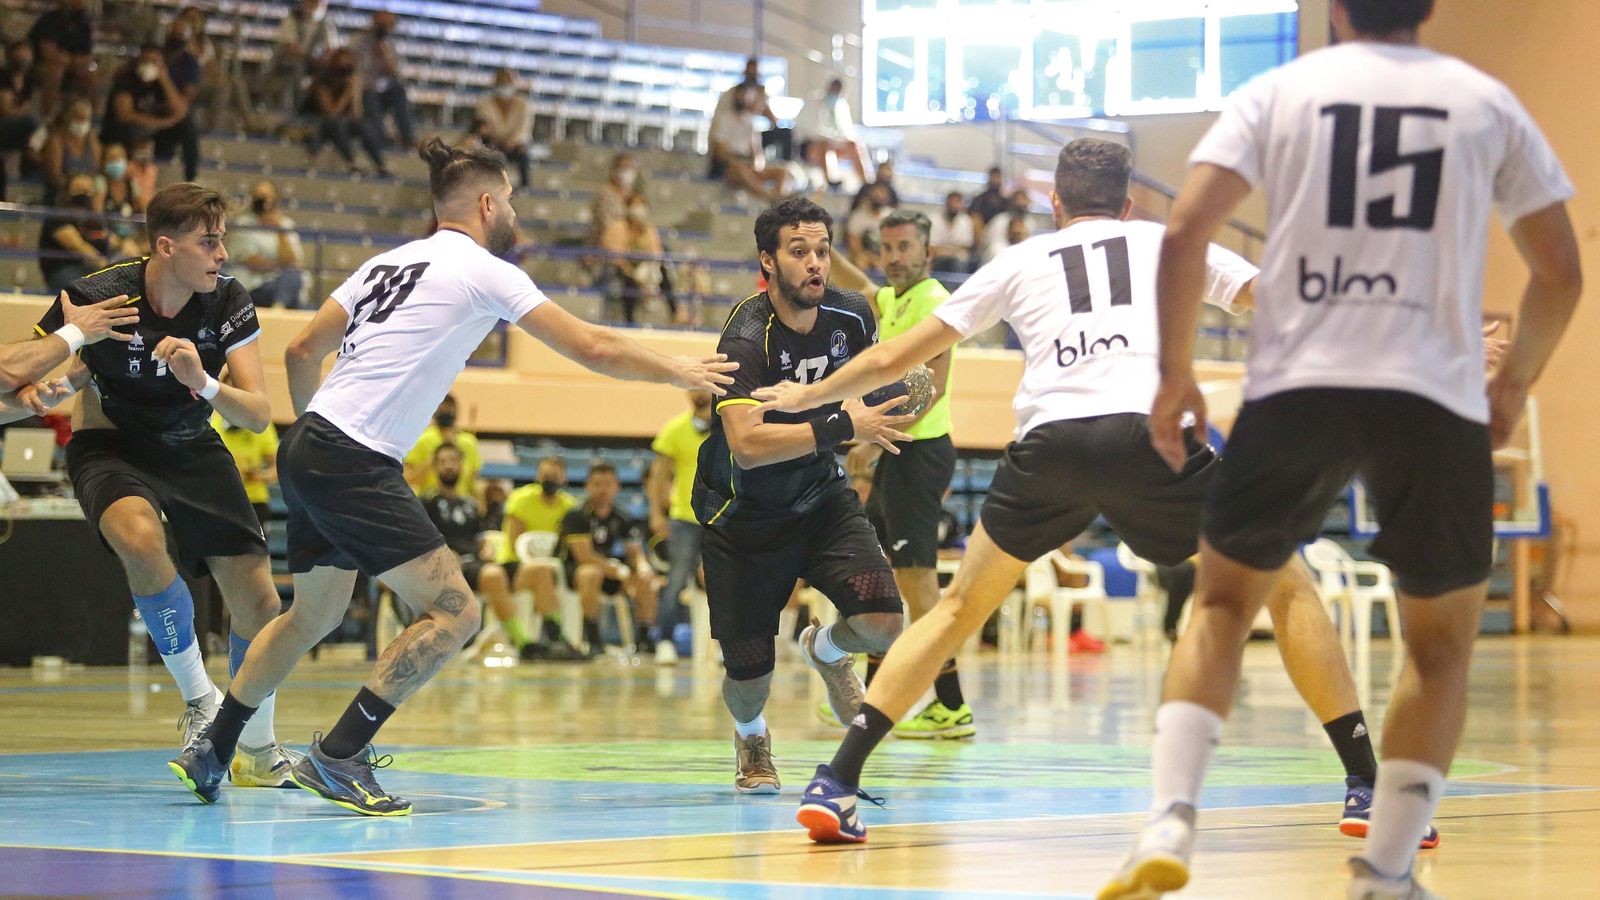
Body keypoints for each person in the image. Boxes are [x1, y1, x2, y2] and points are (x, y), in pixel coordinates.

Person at [751, 139, 1429, 854]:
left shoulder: (1020, 259)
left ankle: (836, 779)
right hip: (1153, 436)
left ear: (1055, 204)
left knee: (955, 610)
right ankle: (1364, 786)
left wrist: (812, 393)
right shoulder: (1170, 241)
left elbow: (894, 355)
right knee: (1289, 591)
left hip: (1053, 447)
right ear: (1128, 203)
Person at [1101, 0, 1581, 895]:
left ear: (1334, 9)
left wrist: (1174, 373)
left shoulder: (1280, 91)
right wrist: (1510, 387)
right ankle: (1386, 871)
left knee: (1218, 607)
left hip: (1299, 385)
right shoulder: (1485, 103)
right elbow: (1560, 269)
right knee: (1439, 648)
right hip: (1432, 398)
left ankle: (1169, 818)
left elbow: (1184, 234)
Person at [169, 138, 737, 814]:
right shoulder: (480, 268)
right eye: (514, 203)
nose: (517, 216)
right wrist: (679, 370)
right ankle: (340, 753)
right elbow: (591, 344)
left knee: (310, 615)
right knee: (458, 611)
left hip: (310, 444)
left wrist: (313, 422)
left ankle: (214, 747)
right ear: (489, 203)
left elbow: (300, 347)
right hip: (354, 455)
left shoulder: (384, 264)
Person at [5, 183, 298, 786]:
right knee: (140, 540)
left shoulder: (229, 303)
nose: (221, 254)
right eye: (208, 242)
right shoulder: (97, 295)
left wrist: (205, 382)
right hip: (111, 445)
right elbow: (14, 383)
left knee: (262, 604)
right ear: (166, 246)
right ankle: (201, 702)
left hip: (191, 445)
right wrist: (65, 359)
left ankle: (260, 750)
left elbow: (258, 414)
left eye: (221, 241)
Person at [691, 195, 912, 794]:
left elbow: (879, 391)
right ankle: (753, 734)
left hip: (820, 499)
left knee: (884, 622)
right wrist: (843, 426)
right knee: (749, 675)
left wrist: (903, 397)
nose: (816, 263)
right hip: (743, 516)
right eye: (798, 252)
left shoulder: (853, 315)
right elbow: (747, 444)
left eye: (822, 250)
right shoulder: (744, 337)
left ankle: (828, 648)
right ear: (768, 262)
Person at [826, 209, 966, 738]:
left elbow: (936, 385)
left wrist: (875, 441)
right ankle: (873, 699)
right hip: (898, 454)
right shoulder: (891, 300)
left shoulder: (932, 301)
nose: (895, 257)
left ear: (927, 252)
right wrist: (821, 238)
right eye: (888, 247)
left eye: (906, 246)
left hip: (918, 452)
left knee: (918, 584)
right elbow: (859, 283)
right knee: (887, 578)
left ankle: (951, 704)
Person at [421, 443, 515, 644]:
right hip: (441, 566)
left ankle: (520, 641)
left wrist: (487, 550)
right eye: (443, 461)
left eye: (454, 461)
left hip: (472, 562)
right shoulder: (426, 502)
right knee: (452, 567)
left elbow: (480, 540)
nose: (449, 466)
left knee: (494, 574)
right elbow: (421, 540)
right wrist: (445, 555)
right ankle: (458, 637)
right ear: (435, 467)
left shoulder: (470, 504)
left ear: (462, 466)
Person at [560, 462, 657, 654]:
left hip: (608, 570)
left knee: (645, 578)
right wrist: (618, 571)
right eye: (597, 484)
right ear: (587, 486)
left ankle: (644, 640)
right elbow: (584, 556)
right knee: (591, 573)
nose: (602, 490)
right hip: (573, 571)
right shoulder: (576, 515)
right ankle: (594, 639)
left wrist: (642, 567)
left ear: (616, 487)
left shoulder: (623, 516)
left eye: (608, 484)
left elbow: (635, 551)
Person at [647, 390, 713, 664]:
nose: (696, 392)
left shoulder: (727, 426)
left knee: (723, 581)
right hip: (683, 517)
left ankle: (722, 645)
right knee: (675, 581)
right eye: (692, 387)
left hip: (719, 516)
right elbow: (659, 475)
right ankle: (664, 641)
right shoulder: (674, 429)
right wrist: (656, 514)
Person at [496, 455, 584, 660]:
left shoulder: (571, 506)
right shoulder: (521, 499)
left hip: (554, 569)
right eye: (546, 475)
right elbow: (515, 543)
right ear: (538, 476)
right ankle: (556, 637)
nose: (550, 480)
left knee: (548, 572)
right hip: (513, 566)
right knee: (541, 571)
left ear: (564, 479)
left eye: (555, 476)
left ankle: (553, 638)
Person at [102, 46, 195, 183]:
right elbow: (125, 115)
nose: (149, 65)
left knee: (187, 126)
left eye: (154, 61)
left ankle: (191, 177)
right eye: (146, 60)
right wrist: (163, 123)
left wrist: (165, 80)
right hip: (126, 132)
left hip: (154, 133)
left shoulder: (161, 83)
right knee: (129, 127)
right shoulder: (126, 80)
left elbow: (180, 111)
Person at [707, 62, 787, 202]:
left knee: (782, 173)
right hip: (729, 166)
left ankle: (778, 200)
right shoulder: (724, 119)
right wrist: (740, 164)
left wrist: (756, 166)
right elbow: (720, 151)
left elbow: (757, 150)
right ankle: (771, 198)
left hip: (747, 164)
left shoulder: (750, 121)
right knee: (740, 170)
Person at [305, 48, 388, 176]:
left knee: (363, 126)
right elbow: (331, 114)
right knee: (336, 124)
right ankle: (352, 161)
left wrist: (356, 95)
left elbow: (356, 116)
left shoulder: (349, 85)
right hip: (318, 125)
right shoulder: (322, 84)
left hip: (339, 125)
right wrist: (347, 95)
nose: (344, 73)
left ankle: (380, 164)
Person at [599, 192, 676, 324]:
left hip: (644, 268)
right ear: (629, 207)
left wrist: (647, 277)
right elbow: (616, 256)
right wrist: (635, 275)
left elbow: (656, 252)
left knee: (663, 272)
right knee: (628, 282)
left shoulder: (648, 229)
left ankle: (675, 313)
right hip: (622, 268)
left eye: (643, 205)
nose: (640, 209)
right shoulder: (618, 226)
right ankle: (629, 321)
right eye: (637, 204)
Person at [227, 180, 305, 309]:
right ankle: (279, 308)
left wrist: (279, 230)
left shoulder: (286, 224)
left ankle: (278, 309)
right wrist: (281, 267)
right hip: (253, 287)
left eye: (269, 197)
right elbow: (254, 263)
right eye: (261, 198)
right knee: (289, 280)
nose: (265, 203)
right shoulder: (244, 224)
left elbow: (293, 261)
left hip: (283, 284)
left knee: (293, 276)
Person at [37, 172, 116, 293]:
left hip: (90, 269)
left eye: (88, 190)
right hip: (63, 270)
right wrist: (111, 271)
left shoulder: (92, 220)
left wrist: (125, 244)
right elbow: (81, 248)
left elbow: (112, 240)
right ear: (67, 193)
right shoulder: (58, 217)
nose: (85, 195)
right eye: (79, 190)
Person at [358, 11, 415, 155]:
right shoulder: (359, 40)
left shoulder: (390, 45)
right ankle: (378, 142)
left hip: (383, 90)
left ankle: (407, 138)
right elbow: (357, 71)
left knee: (399, 91)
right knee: (370, 97)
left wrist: (385, 56)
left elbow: (394, 73)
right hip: (363, 89)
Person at [28, 0, 95, 119]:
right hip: (40, 66)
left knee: (90, 76)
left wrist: (73, 61)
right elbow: (48, 53)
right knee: (55, 72)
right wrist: (72, 60)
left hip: (71, 68)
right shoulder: (50, 20)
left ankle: (86, 119)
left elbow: (88, 56)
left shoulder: (84, 24)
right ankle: (47, 117)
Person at [795, 78, 869, 187]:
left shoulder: (841, 106)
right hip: (809, 144)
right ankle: (830, 180)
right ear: (829, 88)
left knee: (855, 146)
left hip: (834, 143)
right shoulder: (813, 101)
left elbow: (847, 131)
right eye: (835, 90)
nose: (836, 95)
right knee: (825, 144)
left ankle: (867, 183)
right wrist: (832, 140)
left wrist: (848, 140)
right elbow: (809, 130)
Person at [212, 408, 278, 530]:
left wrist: (261, 476)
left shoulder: (260, 426)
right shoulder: (213, 426)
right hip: (222, 501)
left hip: (255, 501)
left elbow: (277, 466)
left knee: (256, 547)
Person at [403, 394, 479, 496]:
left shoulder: (469, 443)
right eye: (443, 408)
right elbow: (408, 479)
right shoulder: (422, 440)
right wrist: (431, 461)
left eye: (449, 408)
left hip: (459, 501)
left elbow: (473, 480)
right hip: (430, 500)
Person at [274, 0, 339, 111]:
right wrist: (312, 59)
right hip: (286, 64)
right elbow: (291, 50)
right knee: (297, 69)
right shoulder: (292, 19)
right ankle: (295, 111)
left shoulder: (326, 23)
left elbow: (332, 48)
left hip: (312, 65)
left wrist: (325, 60)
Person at [471, 68, 530, 190]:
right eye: (501, 81)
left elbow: (524, 129)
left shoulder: (523, 105)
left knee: (524, 155)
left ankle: (525, 189)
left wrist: (512, 142)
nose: (504, 84)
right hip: (493, 145)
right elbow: (482, 127)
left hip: (516, 146)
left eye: (507, 81)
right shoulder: (484, 104)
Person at [38, 96, 98, 205]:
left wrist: (86, 184)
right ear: (69, 118)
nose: (82, 123)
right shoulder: (56, 140)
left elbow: (96, 168)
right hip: (61, 196)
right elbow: (54, 175)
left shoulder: (92, 141)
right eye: (78, 118)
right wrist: (72, 184)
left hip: (87, 193)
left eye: (85, 119)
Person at [0, 40, 37, 202]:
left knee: (36, 132)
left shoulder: (28, 81)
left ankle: (27, 169)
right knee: (30, 123)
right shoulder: (3, 76)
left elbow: (24, 108)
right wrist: (19, 111)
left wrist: (19, 111)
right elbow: (6, 110)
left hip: (16, 127)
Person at [929, 191, 976, 274]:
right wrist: (951, 251)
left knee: (961, 260)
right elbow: (932, 248)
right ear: (946, 203)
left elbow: (965, 248)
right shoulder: (934, 219)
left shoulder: (965, 221)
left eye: (957, 202)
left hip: (957, 258)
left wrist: (949, 251)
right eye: (952, 202)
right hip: (938, 257)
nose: (954, 205)